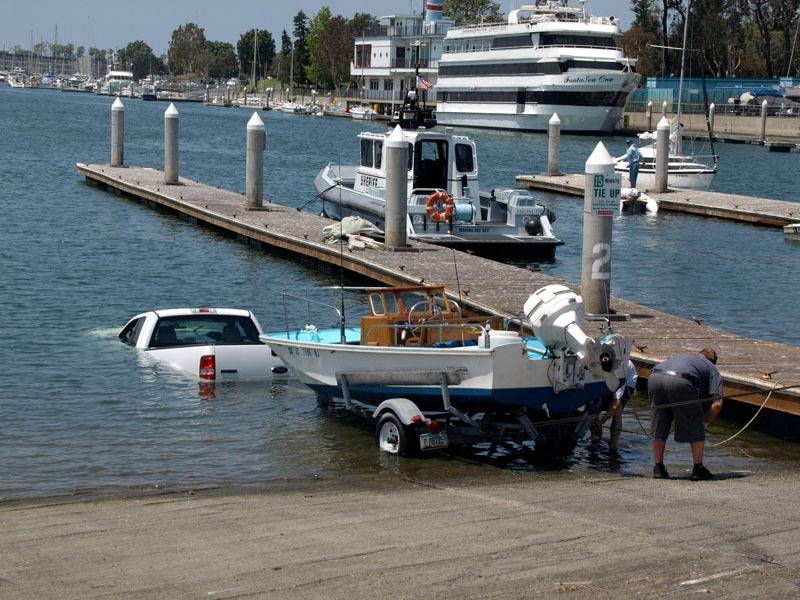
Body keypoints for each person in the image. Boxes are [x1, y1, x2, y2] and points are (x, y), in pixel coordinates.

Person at [649, 349, 724, 481]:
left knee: (659, 423)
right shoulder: (712, 368)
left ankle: (658, 468)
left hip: (655, 377)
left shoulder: (684, 357)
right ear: (713, 362)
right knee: (695, 423)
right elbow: (717, 404)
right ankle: (698, 468)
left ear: (699, 355)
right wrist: (704, 421)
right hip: (681, 380)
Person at [590, 359, 638, 446]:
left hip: (627, 383)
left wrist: (601, 421)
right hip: (605, 380)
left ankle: (613, 444)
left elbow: (616, 403)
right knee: (594, 409)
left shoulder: (620, 371)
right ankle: (595, 440)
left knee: (617, 412)